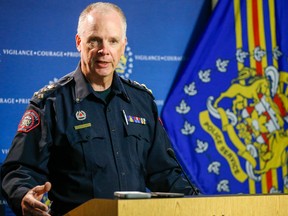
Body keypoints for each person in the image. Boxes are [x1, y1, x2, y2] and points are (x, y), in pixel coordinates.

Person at [1, 2, 199, 216]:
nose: (104, 50)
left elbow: (165, 173)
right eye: (94, 40)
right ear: (79, 42)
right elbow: (19, 170)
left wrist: (199, 204)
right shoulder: (51, 104)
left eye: (112, 41)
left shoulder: (142, 102)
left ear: (123, 46)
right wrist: (24, 195)